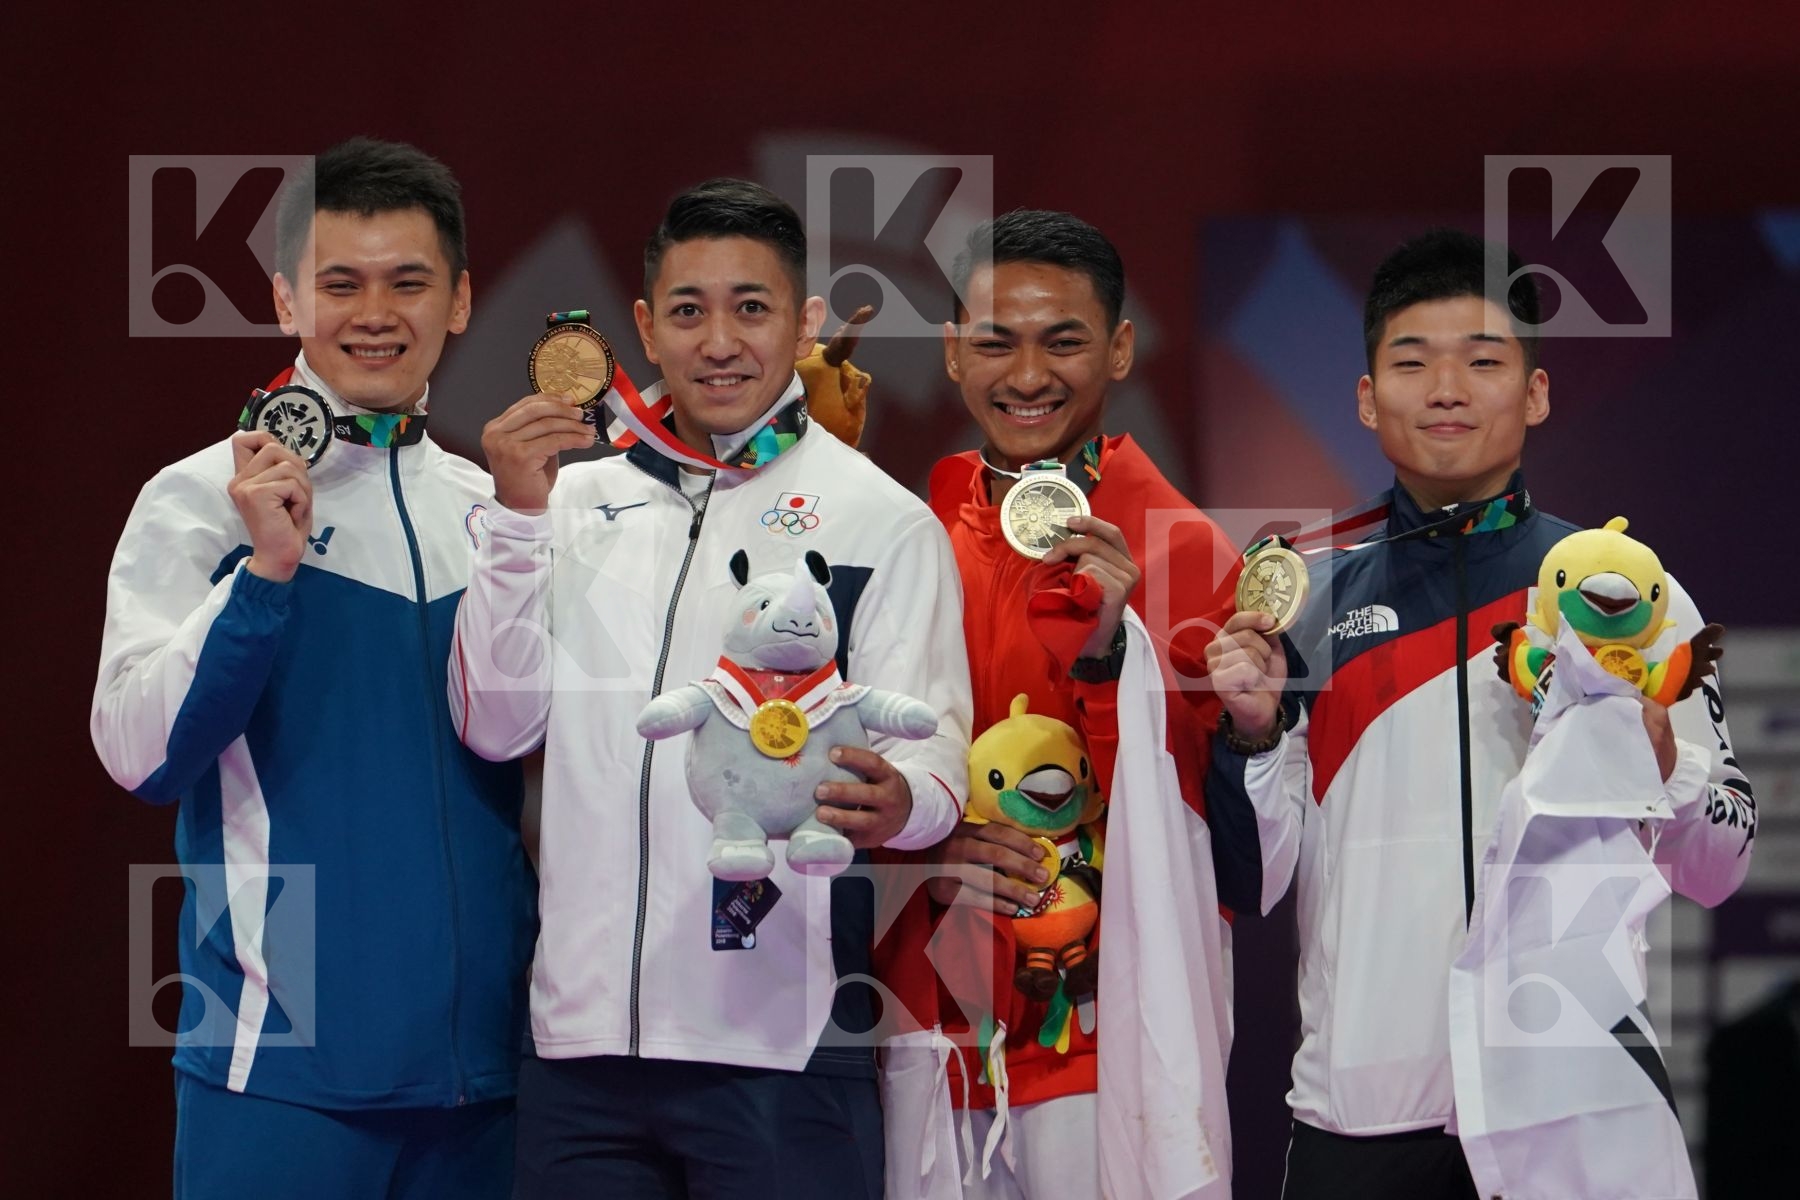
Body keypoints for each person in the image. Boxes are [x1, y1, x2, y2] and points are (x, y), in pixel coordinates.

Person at [1203, 228, 1757, 1199]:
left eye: (1484, 361)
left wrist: (1662, 761)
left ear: (1535, 393)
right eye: (1413, 362)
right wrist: (1252, 731)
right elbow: (1253, 881)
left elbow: (1721, 864)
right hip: (1362, 1116)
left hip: (1573, 1104)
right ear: (1367, 398)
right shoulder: (1304, 602)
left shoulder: (1627, 598)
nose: (1448, 389)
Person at [449, 177, 972, 1199]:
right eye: (689, 311)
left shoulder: (880, 520)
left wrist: (904, 800)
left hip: (780, 1044)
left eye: (752, 307)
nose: (719, 341)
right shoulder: (567, 499)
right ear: (646, 327)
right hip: (580, 1043)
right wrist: (513, 522)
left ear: (805, 322)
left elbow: (935, 755)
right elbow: (497, 726)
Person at [91, 137, 536, 1199]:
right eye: (341, 284)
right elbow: (138, 754)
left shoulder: (495, 512)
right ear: (287, 298)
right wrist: (264, 575)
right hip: (276, 1070)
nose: (374, 314)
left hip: (486, 1082)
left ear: (461, 301)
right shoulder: (200, 499)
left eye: (407, 283)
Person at [874, 210, 1239, 1198]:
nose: (1028, 374)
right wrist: (924, 848)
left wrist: (1113, 658)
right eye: (997, 342)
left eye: (1063, 341)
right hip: (931, 1020)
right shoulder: (914, 534)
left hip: (1100, 1038)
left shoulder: (1184, 550)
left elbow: (1214, 833)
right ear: (953, 352)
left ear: (1119, 348)